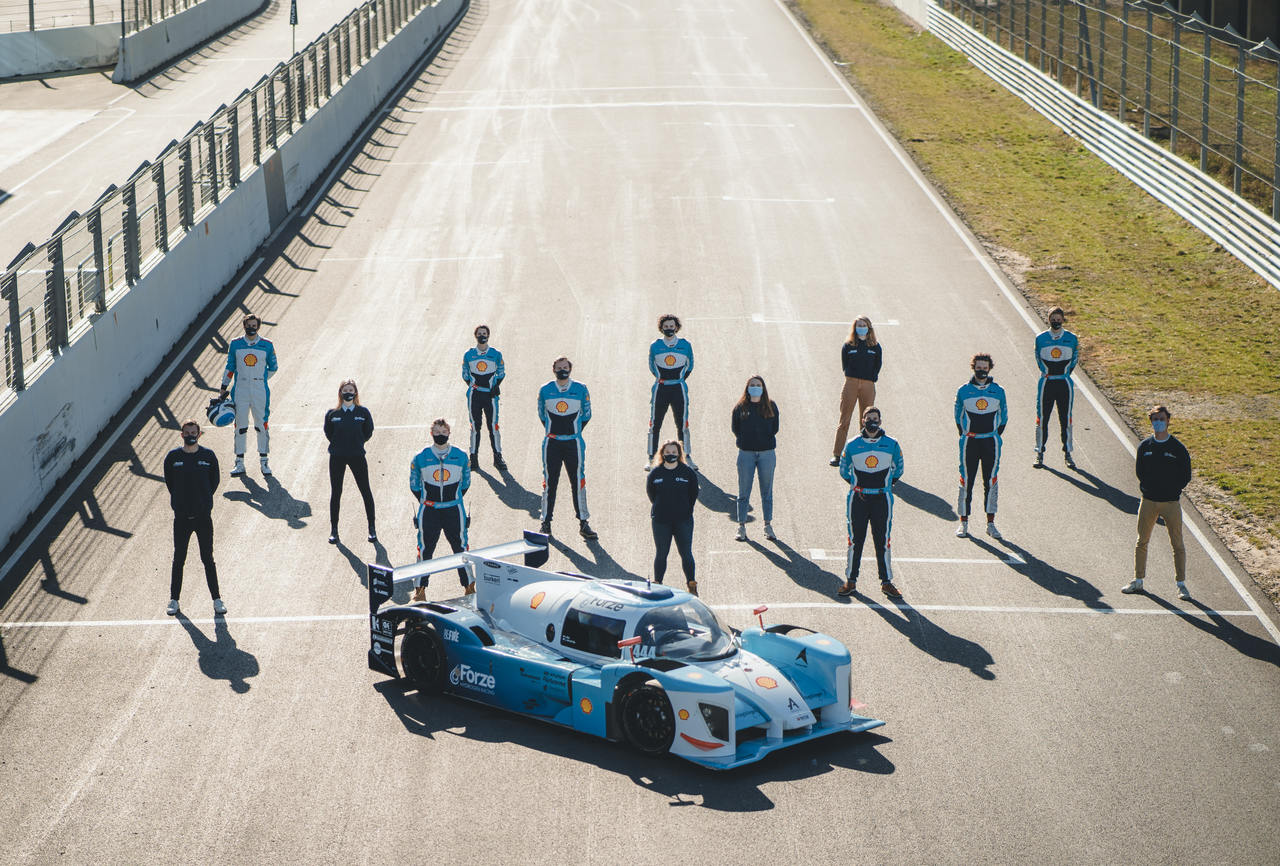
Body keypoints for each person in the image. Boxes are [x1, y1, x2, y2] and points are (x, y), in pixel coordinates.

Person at [1122, 405, 1192, 600]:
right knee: (1141, 541)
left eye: (1161, 419)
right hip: (1148, 502)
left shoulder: (1177, 448)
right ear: (1151, 422)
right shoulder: (1145, 446)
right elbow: (1140, 472)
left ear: (1168, 420)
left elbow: (1186, 474)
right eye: (1155, 420)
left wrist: (1172, 489)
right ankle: (1138, 580)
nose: (1158, 423)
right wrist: (1149, 489)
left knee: (1177, 544)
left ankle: (1181, 584)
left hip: (1171, 503)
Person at [837, 407, 904, 599]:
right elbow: (843, 469)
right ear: (863, 421)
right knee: (855, 540)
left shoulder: (892, 444)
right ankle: (851, 580)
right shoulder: (852, 444)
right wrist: (857, 485)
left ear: (880, 421)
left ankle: (886, 582)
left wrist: (888, 484)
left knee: (882, 540)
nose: (872, 422)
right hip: (858, 498)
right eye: (868, 418)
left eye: (875, 418)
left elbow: (899, 467)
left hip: (882, 498)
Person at [163, 419, 226, 616]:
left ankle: (217, 600)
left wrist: (203, 501)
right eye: (187, 432)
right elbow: (170, 483)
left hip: (203, 518)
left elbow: (214, 482)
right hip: (181, 518)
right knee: (178, 558)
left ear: (199, 435)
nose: (190, 435)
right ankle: (174, 600)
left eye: (194, 432)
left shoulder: (208, 456)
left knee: (208, 558)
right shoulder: (173, 457)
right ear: (181, 435)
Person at [409, 419, 472, 600]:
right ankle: (420, 590)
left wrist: (453, 499)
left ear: (449, 433)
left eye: (443, 432)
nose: (440, 435)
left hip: (454, 509)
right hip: (429, 510)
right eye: (436, 432)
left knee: (461, 548)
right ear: (431, 434)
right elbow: (414, 484)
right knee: (425, 549)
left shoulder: (461, 456)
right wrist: (428, 501)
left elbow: (466, 482)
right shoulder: (420, 457)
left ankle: (469, 586)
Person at [537, 357, 597, 540]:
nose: (562, 370)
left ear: (570, 369)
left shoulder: (581, 389)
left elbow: (587, 414)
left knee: (578, 482)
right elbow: (541, 414)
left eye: (565, 367)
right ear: (553, 369)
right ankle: (545, 523)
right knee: (549, 483)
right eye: (559, 367)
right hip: (552, 443)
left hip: (574, 443)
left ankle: (583, 523)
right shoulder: (545, 390)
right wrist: (555, 431)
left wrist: (573, 431)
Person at [954, 353, 1008, 539]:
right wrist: (968, 433)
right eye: (979, 367)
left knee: (991, 480)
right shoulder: (963, 391)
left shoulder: (999, 391)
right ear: (973, 367)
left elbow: (1004, 418)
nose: (982, 371)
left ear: (989, 368)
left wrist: (992, 434)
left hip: (991, 441)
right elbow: (957, 417)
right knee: (966, 480)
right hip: (970, 441)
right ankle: (964, 522)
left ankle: (990, 523)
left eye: (985, 368)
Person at [220, 313, 278, 478]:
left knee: (262, 424)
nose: (251, 328)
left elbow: (274, 367)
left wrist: (260, 378)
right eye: (248, 325)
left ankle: (264, 460)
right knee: (241, 425)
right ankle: (239, 462)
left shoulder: (267, 345)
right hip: (241, 389)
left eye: (254, 325)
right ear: (244, 325)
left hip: (260, 389)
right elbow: (230, 366)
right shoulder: (235, 344)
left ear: (258, 326)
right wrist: (223, 387)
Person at [323, 379, 376, 545]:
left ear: (355, 393)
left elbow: (368, 432)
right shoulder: (332, 414)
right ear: (340, 393)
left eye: (351, 390)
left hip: (357, 456)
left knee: (365, 491)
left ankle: (372, 529)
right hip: (337, 457)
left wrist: (357, 443)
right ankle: (334, 530)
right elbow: (328, 433)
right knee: (336, 492)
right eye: (345, 390)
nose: (348, 393)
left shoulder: (363, 412)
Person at [646, 439, 700, 595]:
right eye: (668, 452)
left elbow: (693, 494)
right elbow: (652, 494)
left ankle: (692, 585)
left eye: (674, 452)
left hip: (683, 520)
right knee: (661, 553)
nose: (671, 455)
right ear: (662, 454)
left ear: (679, 454)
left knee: (686, 553)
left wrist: (684, 510)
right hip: (661, 520)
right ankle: (658, 585)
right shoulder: (655, 473)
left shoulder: (688, 472)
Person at [731, 375, 779, 542]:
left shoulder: (770, 406)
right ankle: (741, 526)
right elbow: (735, 428)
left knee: (767, 491)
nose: (755, 387)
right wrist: (746, 441)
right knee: (743, 491)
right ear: (747, 388)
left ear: (763, 388)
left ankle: (768, 525)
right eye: (752, 385)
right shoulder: (740, 407)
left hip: (767, 453)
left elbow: (775, 428)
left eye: (758, 385)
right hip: (746, 454)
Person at [830, 316, 882, 466]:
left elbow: (878, 365)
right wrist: (852, 377)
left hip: (868, 384)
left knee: (867, 419)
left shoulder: (875, 346)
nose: (861, 327)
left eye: (864, 325)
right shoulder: (848, 345)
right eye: (859, 325)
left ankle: (864, 453)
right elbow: (844, 365)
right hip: (851, 383)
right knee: (844, 419)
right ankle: (837, 454)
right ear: (855, 328)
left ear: (869, 328)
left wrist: (870, 378)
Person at [647, 314, 696, 470]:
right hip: (660, 388)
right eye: (666, 326)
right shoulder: (655, 346)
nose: (669, 329)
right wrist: (663, 378)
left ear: (677, 327)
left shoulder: (685, 345)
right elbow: (652, 366)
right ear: (661, 328)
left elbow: (690, 365)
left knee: (682, 423)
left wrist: (679, 378)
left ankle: (686, 457)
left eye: (671, 326)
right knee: (655, 423)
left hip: (679, 388)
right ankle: (651, 458)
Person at [1034, 307, 1079, 469]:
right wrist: (1049, 372)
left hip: (1064, 382)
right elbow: (1038, 358)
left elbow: (1075, 358)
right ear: (1048, 319)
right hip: (1046, 382)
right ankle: (1039, 452)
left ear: (1063, 319)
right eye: (1053, 318)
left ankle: (1068, 452)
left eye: (1059, 319)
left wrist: (1064, 373)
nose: (1056, 321)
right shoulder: (1040, 338)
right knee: (1042, 418)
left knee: (1065, 418)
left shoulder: (1072, 338)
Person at [462, 324, 507, 471]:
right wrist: (473, 386)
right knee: (475, 426)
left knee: (493, 426)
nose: (482, 335)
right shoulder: (468, 355)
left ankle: (497, 456)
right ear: (476, 335)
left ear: (488, 335)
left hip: (490, 396)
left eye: (485, 333)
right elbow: (465, 374)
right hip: (475, 395)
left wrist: (495, 385)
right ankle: (473, 458)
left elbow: (501, 371)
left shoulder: (495, 354)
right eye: (480, 333)